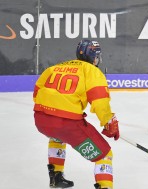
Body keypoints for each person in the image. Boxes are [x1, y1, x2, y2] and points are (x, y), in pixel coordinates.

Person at [33, 39, 119, 189]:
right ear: (93, 57)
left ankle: (56, 177)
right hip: (66, 124)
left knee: (57, 137)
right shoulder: (92, 71)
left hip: (41, 119)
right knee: (104, 155)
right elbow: (100, 102)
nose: (98, 59)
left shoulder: (56, 67)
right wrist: (109, 121)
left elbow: (37, 93)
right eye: (97, 56)